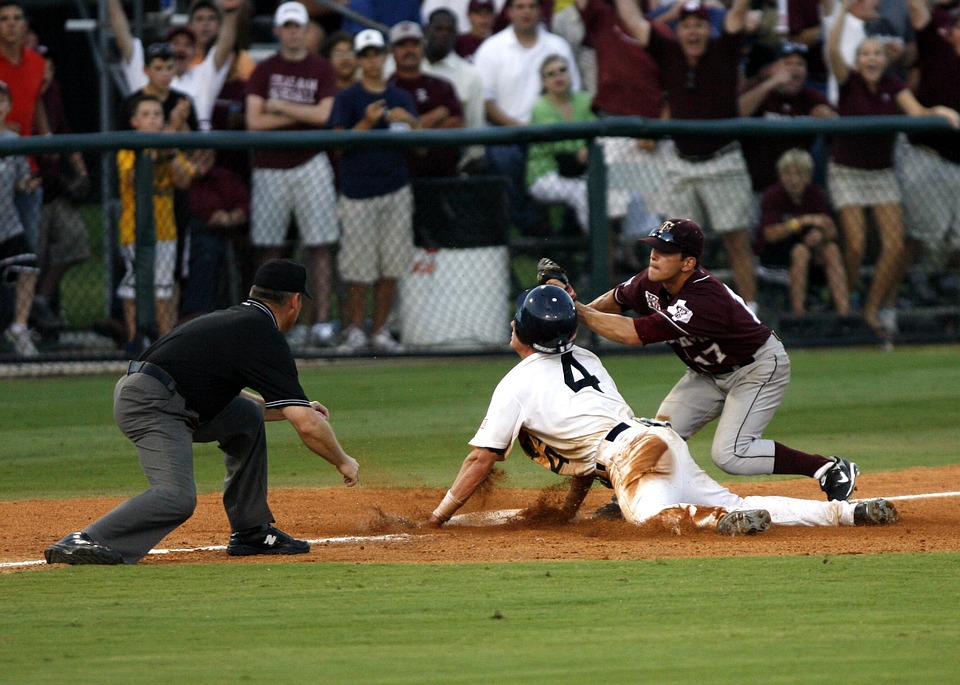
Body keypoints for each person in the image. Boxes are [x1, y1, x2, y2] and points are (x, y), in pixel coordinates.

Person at [424, 285, 898, 532]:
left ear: (520, 331)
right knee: (738, 500)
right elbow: (588, 451)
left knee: (653, 522)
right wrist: (569, 508)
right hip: (658, 438)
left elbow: (480, 459)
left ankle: (716, 521)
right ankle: (847, 514)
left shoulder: (515, 384)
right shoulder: (586, 357)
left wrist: (437, 517)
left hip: (630, 457)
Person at [44, 259, 360, 565]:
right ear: (294, 301)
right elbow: (306, 426)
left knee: (246, 416)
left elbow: (278, 410)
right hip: (153, 405)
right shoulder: (263, 335)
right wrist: (343, 460)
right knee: (176, 498)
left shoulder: (238, 321)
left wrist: (297, 408)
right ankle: (87, 539)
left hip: (159, 395)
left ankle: (251, 531)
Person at [555, 218, 861, 519]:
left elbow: (632, 334)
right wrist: (571, 315)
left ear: (688, 263)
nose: (654, 255)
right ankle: (630, 496)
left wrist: (572, 308)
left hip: (756, 368)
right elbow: (617, 299)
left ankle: (828, 468)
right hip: (705, 374)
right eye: (653, 247)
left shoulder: (703, 297)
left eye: (664, 250)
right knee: (652, 437)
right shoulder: (652, 279)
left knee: (731, 455)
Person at [826, 1, 959, 340]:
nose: (871, 58)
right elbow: (831, 50)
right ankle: (844, 307)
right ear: (858, 61)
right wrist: (844, 13)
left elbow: (917, 113)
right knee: (854, 245)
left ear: (886, 60)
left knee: (896, 244)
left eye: (877, 54)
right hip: (848, 172)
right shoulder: (848, 81)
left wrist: (940, 110)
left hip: (882, 172)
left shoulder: (893, 86)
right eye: (866, 54)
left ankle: (872, 309)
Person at [614, 0, 759, 311]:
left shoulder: (725, 48)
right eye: (687, 26)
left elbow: (738, 12)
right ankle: (684, 316)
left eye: (699, 25)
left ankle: (751, 312)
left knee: (737, 241)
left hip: (723, 161)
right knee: (676, 251)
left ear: (709, 29)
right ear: (678, 30)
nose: (693, 32)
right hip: (681, 163)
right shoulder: (669, 52)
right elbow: (631, 19)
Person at [245, 1, 340, 348]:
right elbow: (254, 123)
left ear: (306, 29)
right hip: (271, 165)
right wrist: (303, 113)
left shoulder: (321, 68)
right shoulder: (265, 68)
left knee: (319, 246)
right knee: (270, 247)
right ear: (277, 30)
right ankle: (267, 318)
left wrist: (281, 106)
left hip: (310, 161)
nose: (293, 32)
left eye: (298, 26)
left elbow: (323, 116)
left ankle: (321, 322)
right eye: (287, 26)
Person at [328, 29, 420, 354]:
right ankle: (354, 330)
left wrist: (409, 120)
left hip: (395, 189)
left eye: (377, 53)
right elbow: (337, 145)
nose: (372, 60)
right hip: (357, 192)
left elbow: (422, 146)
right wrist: (366, 123)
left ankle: (380, 330)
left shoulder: (401, 98)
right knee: (357, 270)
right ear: (359, 59)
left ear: (385, 57)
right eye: (366, 54)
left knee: (390, 266)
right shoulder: (348, 97)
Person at [474, 0, 581, 232]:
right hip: (509, 133)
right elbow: (486, 102)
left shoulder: (558, 46)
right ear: (509, 11)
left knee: (583, 158)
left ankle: (570, 236)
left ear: (540, 10)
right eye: (520, 6)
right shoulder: (491, 48)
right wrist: (520, 127)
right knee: (503, 156)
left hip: (555, 131)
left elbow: (574, 94)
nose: (526, 12)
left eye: (532, 6)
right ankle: (531, 228)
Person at [116, 95, 196, 354]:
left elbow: (184, 179)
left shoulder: (170, 144)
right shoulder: (128, 149)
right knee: (134, 284)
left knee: (163, 286)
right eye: (147, 114)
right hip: (134, 230)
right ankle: (135, 340)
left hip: (166, 230)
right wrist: (172, 129)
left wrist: (170, 145)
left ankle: (164, 343)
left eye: (158, 114)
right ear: (135, 121)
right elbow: (133, 177)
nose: (153, 119)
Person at [895, 1, 960, 291]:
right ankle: (901, 295)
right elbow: (918, 10)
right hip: (927, 155)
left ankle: (942, 296)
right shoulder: (937, 49)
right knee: (920, 235)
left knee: (956, 241)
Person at [107, 0, 240, 130]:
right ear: (147, 70)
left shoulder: (200, 78)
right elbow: (121, 35)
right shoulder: (143, 74)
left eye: (187, 45)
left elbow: (224, 47)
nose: (181, 49)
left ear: (195, 52)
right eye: (175, 43)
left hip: (190, 149)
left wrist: (231, 13)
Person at [758, 149, 849, 317]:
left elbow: (831, 229)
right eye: (788, 174)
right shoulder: (773, 195)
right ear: (780, 176)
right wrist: (802, 221)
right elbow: (770, 234)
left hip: (811, 253)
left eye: (799, 175)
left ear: (808, 177)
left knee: (832, 250)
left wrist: (821, 236)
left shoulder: (815, 195)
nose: (793, 180)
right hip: (777, 258)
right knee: (800, 252)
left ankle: (844, 315)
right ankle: (799, 316)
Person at [738, 41, 836, 194]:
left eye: (800, 64)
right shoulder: (759, 91)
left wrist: (829, 117)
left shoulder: (811, 97)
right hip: (757, 187)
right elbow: (738, 113)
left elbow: (838, 123)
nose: (794, 69)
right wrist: (771, 83)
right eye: (787, 63)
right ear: (773, 68)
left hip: (799, 191)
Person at [526, 54, 595, 233]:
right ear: (544, 82)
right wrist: (586, 147)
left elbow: (597, 132)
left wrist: (588, 148)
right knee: (582, 191)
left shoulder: (585, 100)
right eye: (551, 74)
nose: (558, 76)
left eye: (563, 70)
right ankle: (600, 249)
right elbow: (561, 144)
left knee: (624, 185)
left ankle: (629, 253)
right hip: (546, 174)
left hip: (584, 171)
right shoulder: (540, 107)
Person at [178, 149, 250, 322]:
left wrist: (229, 218)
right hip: (178, 233)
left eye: (207, 152)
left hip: (212, 233)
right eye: (195, 152)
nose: (202, 156)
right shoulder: (177, 175)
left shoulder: (223, 178)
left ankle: (196, 313)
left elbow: (245, 207)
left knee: (209, 250)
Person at [387, 20, 465, 178]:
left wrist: (413, 126)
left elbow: (458, 123)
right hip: (403, 177)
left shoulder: (441, 85)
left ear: (422, 47)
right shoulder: (387, 89)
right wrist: (436, 116)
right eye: (402, 45)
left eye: (414, 44)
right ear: (392, 51)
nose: (409, 50)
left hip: (445, 174)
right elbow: (395, 135)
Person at [0, 1, 48, 253]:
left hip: (26, 166)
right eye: (4, 18)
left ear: (25, 25)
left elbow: (36, 101)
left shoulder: (37, 63)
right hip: (1, 167)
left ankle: (25, 294)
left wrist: (47, 135)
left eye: (17, 18)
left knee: (26, 249)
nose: (10, 24)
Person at [0, 79, 41, 357]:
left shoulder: (14, 143)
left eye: (1, 100)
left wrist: (29, 185)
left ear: (9, 106)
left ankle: (19, 327)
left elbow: (22, 182)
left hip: (8, 225)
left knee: (27, 265)